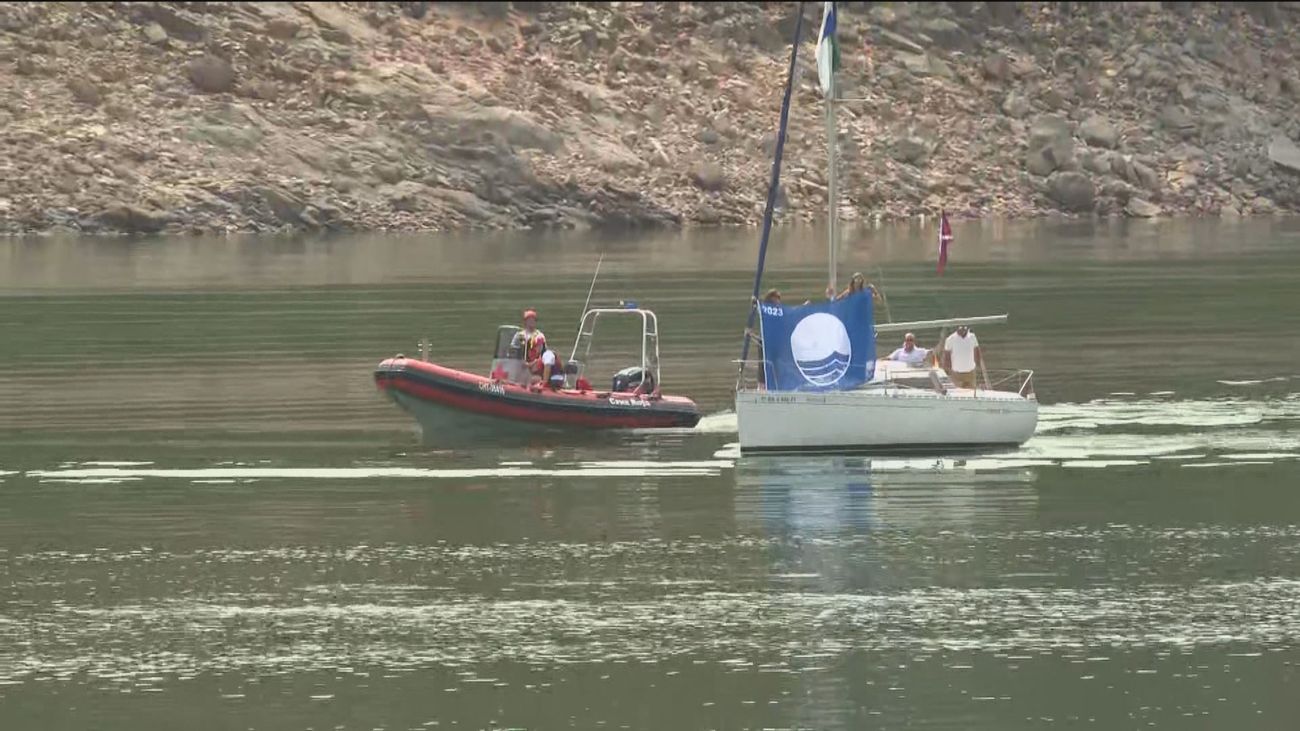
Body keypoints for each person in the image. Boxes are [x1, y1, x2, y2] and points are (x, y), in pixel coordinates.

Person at [943, 325, 981, 390]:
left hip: (970, 373)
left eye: (964, 327)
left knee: (971, 393)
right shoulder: (950, 339)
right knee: (958, 393)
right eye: (961, 327)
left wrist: (978, 365)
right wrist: (948, 372)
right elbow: (946, 357)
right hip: (957, 374)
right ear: (956, 328)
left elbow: (977, 352)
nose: (963, 329)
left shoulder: (972, 337)